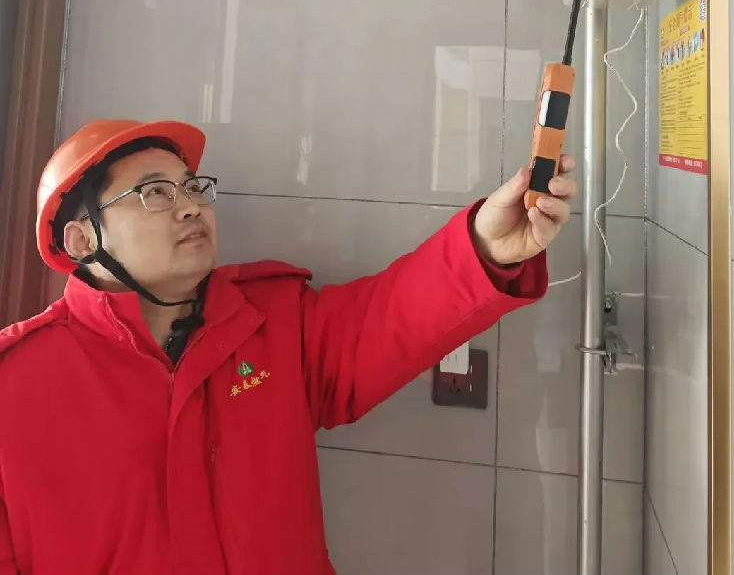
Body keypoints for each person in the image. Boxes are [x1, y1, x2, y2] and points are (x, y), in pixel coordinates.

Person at [0, 118, 576, 575]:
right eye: (154, 192)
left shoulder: (273, 324)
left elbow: (395, 314)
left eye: (194, 187)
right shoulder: (16, 386)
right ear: (82, 239)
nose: (192, 205)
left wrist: (485, 247)